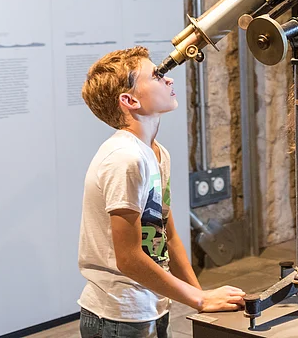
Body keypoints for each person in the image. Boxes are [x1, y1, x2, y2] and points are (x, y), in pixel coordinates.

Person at [78, 46, 245, 338]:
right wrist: (199, 299)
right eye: (156, 76)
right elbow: (128, 258)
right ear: (129, 100)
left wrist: (201, 299)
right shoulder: (125, 158)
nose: (168, 79)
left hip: (152, 306)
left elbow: (167, 233)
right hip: (117, 316)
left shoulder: (157, 152)